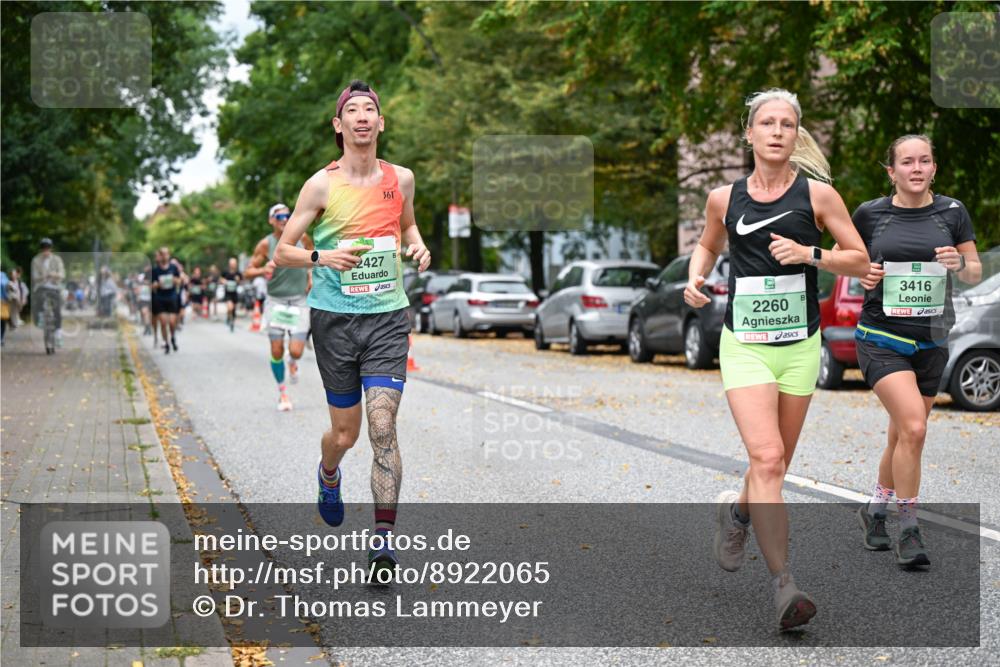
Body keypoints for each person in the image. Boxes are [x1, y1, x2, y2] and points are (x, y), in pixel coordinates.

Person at [683, 89, 869, 630]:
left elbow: (860, 259)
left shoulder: (820, 197)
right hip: (744, 346)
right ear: (750, 134)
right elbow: (707, 245)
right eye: (767, 122)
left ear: (795, 135)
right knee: (766, 459)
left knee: (776, 462)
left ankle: (736, 514)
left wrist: (812, 254)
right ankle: (785, 586)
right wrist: (696, 278)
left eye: (787, 124)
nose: (777, 131)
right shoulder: (724, 197)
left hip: (800, 345)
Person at [274, 80, 431, 579]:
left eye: (371, 109)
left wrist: (418, 246)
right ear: (339, 126)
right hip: (335, 320)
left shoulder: (401, 179)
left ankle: (382, 543)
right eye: (353, 111)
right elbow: (284, 250)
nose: (363, 116)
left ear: (381, 123)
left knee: (383, 427)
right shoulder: (320, 184)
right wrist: (322, 256)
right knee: (346, 434)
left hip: (387, 317)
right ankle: (328, 473)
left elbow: (407, 226)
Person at [850, 134, 981, 566]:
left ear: (934, 169)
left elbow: (974, 270)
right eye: (907, 162)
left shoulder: (952, 212)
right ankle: (908, 527)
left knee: (903, 434)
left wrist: (958, 265)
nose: (917, 168)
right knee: (915, 429)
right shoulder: (871, 215)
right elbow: (843, 259)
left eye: (925, 161)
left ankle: (875, 510)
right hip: (882, 339)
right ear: (892, 171)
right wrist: (863, 274)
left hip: (932, 340)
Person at [244, 203, 314, 411]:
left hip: (300, 301)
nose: (284, 219)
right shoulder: (266, 244)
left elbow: (315, 257)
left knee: (296, 350)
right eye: (279, 216)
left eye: (287, 215)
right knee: (276, 349)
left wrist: (311, 276)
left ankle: (293, 361)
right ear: (271, 221)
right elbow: (248, 271)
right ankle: (283, 393)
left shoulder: (302, 238)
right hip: (276, 301)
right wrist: (262, 269)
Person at [31, 238, 66, 347]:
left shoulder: (57, 260)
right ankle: (41, 316)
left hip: (54, 287)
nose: (46, 251)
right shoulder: (36, 260)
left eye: (48, 248)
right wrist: (43, 277)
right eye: (44, 248)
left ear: (51, 249)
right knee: (38, 297)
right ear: (41, 249)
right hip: (41, 286)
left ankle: (58, 332)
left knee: (57, 308)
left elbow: (62, 274)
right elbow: (35, 277)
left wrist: (53, 275)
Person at [151, 247, 185, 353]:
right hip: (160, 298)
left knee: (171, 322)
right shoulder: (155, 270)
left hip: (171, 297)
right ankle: (166, 343)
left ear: (169, 255)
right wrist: (157, 284)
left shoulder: (173, 268)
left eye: (166, 254)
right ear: (160, 256)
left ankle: (173, 337)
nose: (165, 256)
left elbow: (180, 281)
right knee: (163, 322)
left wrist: (176, 280)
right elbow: (151, 286)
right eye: (162, 254)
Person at [220, 257, 243, 333]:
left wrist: (238, 280)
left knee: (233, 309)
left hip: (235, 294)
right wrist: (224, 281)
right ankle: (228, 318)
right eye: (232, 264)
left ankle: (232, 322)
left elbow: (241, 281)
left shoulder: (238, 273)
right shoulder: (225, 272)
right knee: (230, 307)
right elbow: (220, 279)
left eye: (234, 264)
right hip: (228, 293)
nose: (233, 265)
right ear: (229, 264)